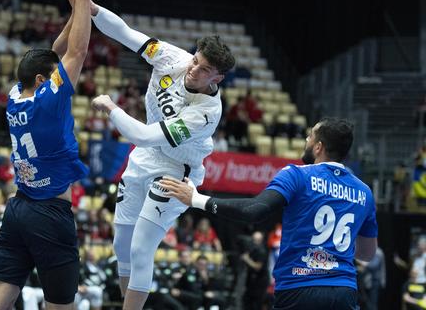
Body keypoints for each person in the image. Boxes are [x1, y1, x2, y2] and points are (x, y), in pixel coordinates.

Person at [89, 0, 235, 309]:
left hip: (176, 170)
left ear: (217, 78)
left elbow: (142, 135)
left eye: (205, 69)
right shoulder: (172, 57)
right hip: (145, 158)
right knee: (121, 244)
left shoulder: (206, 112)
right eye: (196, 60)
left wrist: (112, 108)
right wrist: (91, 8)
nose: (194, 69)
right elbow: (126, 33)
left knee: (142, 249)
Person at [0, 0, 96, 310]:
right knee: (61, 306)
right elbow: (76, 51)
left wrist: (75, 9)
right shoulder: (49, 101)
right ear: (44, 81)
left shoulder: (15, 95)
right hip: (50, 214)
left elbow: (53, 55)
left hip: (19, 208)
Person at [160, 118, 379, 310]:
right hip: (344, 291)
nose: (306, 140)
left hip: (299, 287)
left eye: (310, 136)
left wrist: (197, 199)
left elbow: (254, 211)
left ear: (319, 146)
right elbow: (367, 254)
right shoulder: (364, 192)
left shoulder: (297, 175)